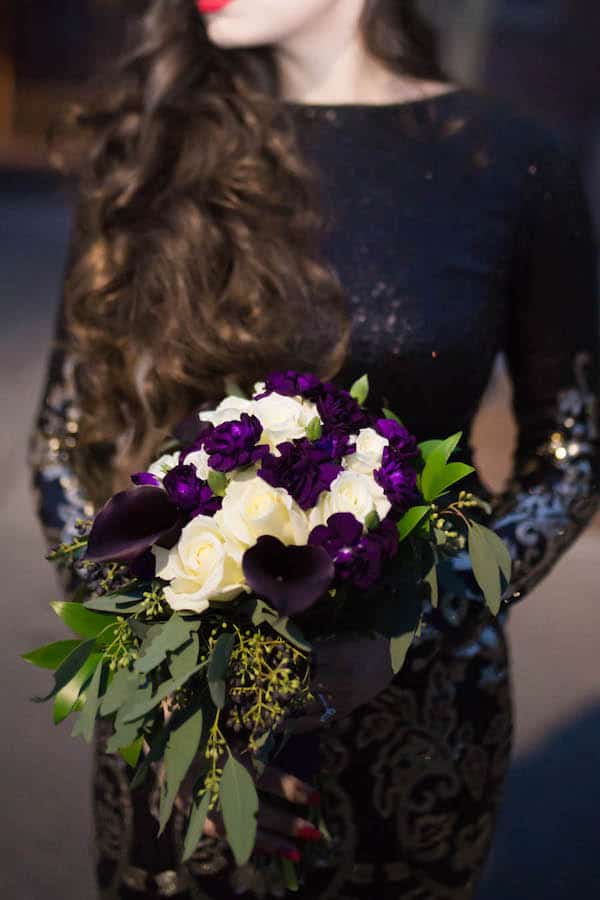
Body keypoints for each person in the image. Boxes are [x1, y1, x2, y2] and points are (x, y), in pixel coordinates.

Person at [28, 1, 599, 898]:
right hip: (185, 723)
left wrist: (415, 619)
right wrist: (158, 658)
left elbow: (571, 449)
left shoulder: (510, 160)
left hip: (416, 715)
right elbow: (65, 437)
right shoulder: (152, 149)